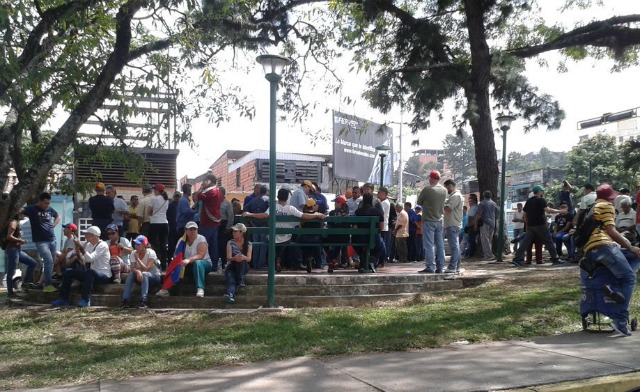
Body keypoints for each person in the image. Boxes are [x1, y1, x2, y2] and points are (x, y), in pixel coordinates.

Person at [582, 184, 640, 336]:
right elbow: (611, 230)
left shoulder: (592, 208)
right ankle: (620, 319)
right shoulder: (606, 206)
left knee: (635, 257)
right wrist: (630, 246)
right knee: (629, 278)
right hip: (603, 247)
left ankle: (615, 288)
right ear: (610, 197)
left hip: (591, 249)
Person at [243, 188, 325, 272]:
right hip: (286, 238)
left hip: (273, 238)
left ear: (278, 197)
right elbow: (303, 216)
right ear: (287, 198)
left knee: (270, 244)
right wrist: (316, 215)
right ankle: (279, 258)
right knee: (287, 244)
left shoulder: (273, 207)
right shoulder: (290, 209)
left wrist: (250, 214)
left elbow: (264, 215)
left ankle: (275, 260)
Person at [51, 226, 111, 308]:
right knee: (69, 272)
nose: (85, 236)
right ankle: (63, 298)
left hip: (103, 275)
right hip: (91, 273)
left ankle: (86, 299)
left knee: (90, 272)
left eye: (87, 234)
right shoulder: (89, 245)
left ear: (93, 236)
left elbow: (90, 258)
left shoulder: (103, 245)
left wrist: (81, 248)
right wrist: (77, 251)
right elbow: (84, 260)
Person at [512, 185, 564, 267]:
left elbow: (525, 213)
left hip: (530, 225)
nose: (543, 192)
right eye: (542, 191)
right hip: (540, 224)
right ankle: (555, 259)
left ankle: (516, 259)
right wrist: (560, 211)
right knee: (548, 241)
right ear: (539, 191)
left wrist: (527, 223)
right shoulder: (541, 200)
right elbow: (548, 210)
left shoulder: (529, 201)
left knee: (525, 242)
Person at [157, 221, 212, 298]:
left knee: (198, 263)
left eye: (194, 229)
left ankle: (200, 288)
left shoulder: (201, 239)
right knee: (175, 267)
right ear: (185, 230)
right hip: (187, 265)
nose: (192, 231)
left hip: (203, 264)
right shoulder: (181, 241)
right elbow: (177, 256)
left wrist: (188, 260)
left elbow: (201, 255)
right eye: (190, 229)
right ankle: (166, 289)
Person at [24, 192, 60, 292]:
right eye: (45, 203)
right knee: (48, 261)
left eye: (48, 203)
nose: (47, 205)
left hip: (52, 240)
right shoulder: (31, 209)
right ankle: (48, 285)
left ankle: (42, 283)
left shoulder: (50, 209)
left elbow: (58, 216)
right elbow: (20, 211)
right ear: (40, 201)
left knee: (51, 262)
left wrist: (54, 224)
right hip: (41, 241)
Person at [417, 170, 447, 273]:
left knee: (429, 245)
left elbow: (419, 202)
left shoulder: (427, 189)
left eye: (429, 178)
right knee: (440, 244)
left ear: (431, 178)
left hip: (428, 220)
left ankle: (430, 266)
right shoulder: (444, 190)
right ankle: (441, 266)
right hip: (439, 220)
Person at [121, 235, 161, 309]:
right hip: (141, 276)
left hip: (154, 277)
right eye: (135, 244)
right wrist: (138, 272)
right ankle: (125, 300)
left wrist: (138, 259)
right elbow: (132, 268)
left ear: (144, 245)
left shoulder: (151, 253)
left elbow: (147, 269)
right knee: (130, 275)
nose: (136, 246)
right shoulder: (133, 253)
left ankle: (144, 300)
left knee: (144, 274)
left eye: (138, 244)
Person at [4, 209, 36, 298]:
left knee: (32, 263)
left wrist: (19, 241)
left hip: (17, 250)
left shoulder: (17, 223)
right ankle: (10, 292)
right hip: (12, 250)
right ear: (18, 214)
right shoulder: (13, 223)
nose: (24, 215)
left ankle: (25, 283)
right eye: (22, 214)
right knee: (12, 272)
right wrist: (20, 240)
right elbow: (9, 236)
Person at [194, 174, 223, 272]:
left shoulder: (211, 192)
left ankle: (207, 264)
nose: (203, 183)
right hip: (214, 222)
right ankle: (213, 265)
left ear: (209, 181)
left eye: (205, 181)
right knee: (213, 245)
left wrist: (201, 187)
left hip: (207, 222)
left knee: (204, 244)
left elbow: (198, 196)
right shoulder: (218, 191)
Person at [354, 193, 384, 273]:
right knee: (381, 246)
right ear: (371, 201)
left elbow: (355, 227)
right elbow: (381, 227)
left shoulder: (358, 212)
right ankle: (373, 259)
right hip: (374, 238)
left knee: (355, 242)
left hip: (359, 239)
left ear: (363, 201)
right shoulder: (377, 212)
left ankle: (363, 258)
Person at [223, 223, 252, 304]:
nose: (233, 233)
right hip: (232, 266)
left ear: (242, 232)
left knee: (241, 259)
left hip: (243, 267)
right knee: (231, 279)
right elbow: (228, 258)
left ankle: (240, 280)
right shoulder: (230, 242)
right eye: (233, 231)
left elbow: (249, 259)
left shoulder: (249, 244)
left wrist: (243, 257)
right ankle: (230, 295)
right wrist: (234, 258)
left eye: (236, 231)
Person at [325, 195, 350, 273]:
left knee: (323, 240)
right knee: (339, 242)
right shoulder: (348, 214)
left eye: (336, 203)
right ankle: (337, 261)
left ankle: (332, 260)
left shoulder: (332, 213)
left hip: (334, 237)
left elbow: (329, 225)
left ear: (340, 203)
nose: (334, 204)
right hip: (345, 238)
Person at [147, 184, 169, 270]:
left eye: (154, 190)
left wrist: (154, 214)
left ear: (157, 190)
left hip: (155, 222)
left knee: (150, 242)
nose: (153, 191)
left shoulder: (154, 199)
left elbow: (148, 212)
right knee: (163, 244)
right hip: (164, 222)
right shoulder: (166, 200)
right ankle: (164, 265)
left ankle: (151, 261)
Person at [443, 179, 463, 273]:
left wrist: (440, 205)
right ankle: (457, 267)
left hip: (452, 224)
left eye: (446, 188)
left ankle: (452, 267)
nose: (446, 190)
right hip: (452, 224)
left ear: (450, 186)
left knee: (454, 247)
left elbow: (448, 208)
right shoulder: (454, 196)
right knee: (456, 247)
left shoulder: (456, 196)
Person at [299, 198, 324, 272]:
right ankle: (318, 262)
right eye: (316, 204)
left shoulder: (304, 215)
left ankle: (306, 261)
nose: (317, 205)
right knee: (317, 244)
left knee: (306, 246)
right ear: (313, 206)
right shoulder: (318, 215)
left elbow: (301, 226)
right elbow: (322, 226)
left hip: (304, 239)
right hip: (316, 239)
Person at [474, 190, 499, 262]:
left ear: (484, 196)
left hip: (485, 223)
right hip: (492, 223)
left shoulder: (482, 204)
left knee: (485, 240)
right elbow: (497, 213)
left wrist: (476, 224)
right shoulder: (494, 203)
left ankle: (488, 255)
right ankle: (489, 253)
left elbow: (479, 215)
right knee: (489, 240)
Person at [218, 187, 235, 269]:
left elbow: (231, 217)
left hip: (224, 225)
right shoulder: (215, 202)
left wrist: (228, 228)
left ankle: (225, 263)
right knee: (216, 245)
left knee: (224, 245)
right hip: (216, 225)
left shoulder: (227, 204)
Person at [167, 191, 181, 265]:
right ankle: (170, 261)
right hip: (172, 228)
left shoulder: (181, 206)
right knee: (171, 246)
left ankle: (178, 261)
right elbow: (168, 216)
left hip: (179, 229)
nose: (177, 198)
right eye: (176, 196)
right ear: (174, 197)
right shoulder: (170, 206)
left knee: (179, 245)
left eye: (178, 196)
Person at [463, 193, 479, 258]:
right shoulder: (476, 207)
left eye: (470, 201)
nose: (469, 203)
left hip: (471, 226)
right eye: (469, 201)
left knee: (471, 240)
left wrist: (468, 225)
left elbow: (470, 217)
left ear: (474, 201)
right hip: (473, 226)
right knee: (471, 240)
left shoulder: (473, 208)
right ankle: (469, 253)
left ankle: (470, 254)